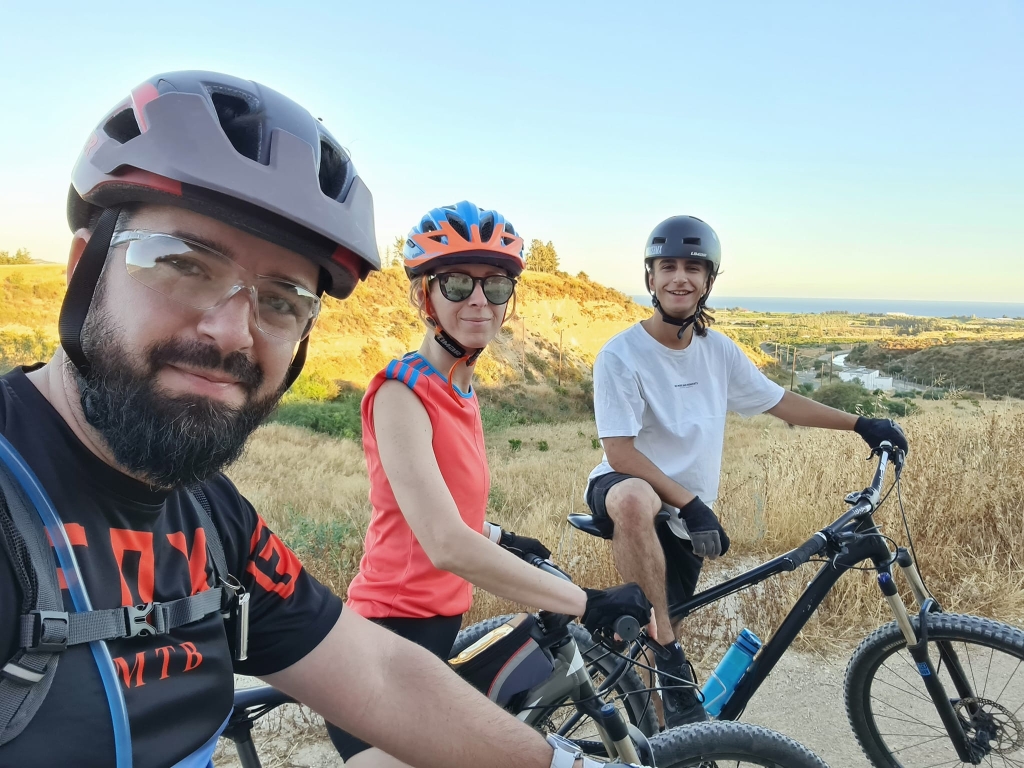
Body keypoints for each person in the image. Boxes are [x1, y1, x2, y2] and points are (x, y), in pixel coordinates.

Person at [0, 71, 647, 768]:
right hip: (402, 612)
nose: (230, 332)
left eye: (282, 300)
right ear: (84, 267)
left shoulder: (213, 519)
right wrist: (581, 599)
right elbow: (439, 542)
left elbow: (381, 674)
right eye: (182, 264)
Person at [328, 201, 655, 766]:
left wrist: (499, 536)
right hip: (386, 646)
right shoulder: (401, 394)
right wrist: (587, 602)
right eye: (457, 284)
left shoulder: (459, 387)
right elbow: (444, 542)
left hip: (432, 635)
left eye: (496, 285)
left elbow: (437, 509)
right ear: (424, 296)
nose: (479, 300)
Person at [585, 215, 909, 727]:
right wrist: (690, 504)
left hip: (684, 516)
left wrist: (860, 423)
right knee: (637, 512)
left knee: (659, 649)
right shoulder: (620, 355)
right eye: (667, 267)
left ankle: (661, 739)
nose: (679, 278)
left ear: (708, 281)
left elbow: (779, 401)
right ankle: (666, 656)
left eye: (693, 268)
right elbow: (621, 453)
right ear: (650, 277)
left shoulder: (717, 351)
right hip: (627, 490)